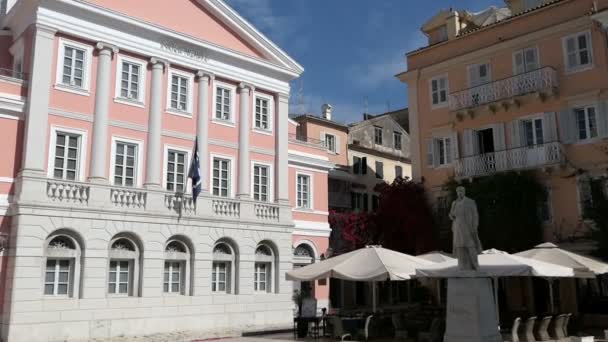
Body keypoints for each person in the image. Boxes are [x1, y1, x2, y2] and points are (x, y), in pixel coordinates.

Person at [449, 186, 482, 270]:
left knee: (471, 246)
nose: (459, 193)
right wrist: (451, 216)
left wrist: (474, 226)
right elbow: (451, 214)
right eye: (458, 191)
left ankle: (475, 265)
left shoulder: (470, 202)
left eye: (461, 191)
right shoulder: (454, 203)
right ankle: (462, 266)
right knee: (460, 247)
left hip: (467, 227)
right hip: (457, 227)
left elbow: (475, 215)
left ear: (464, 192)